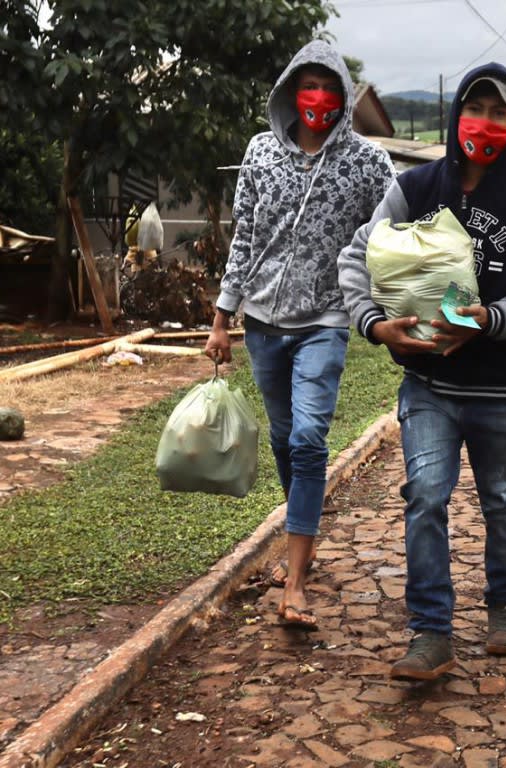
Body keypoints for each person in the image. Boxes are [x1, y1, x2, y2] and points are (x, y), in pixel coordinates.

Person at [338, 63, 506, 681]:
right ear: (456, 116)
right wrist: (372, 323)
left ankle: (504, 609)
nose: (487, 124)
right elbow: (355, 257)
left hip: (504, 388)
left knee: (500, 498)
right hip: (429, 388)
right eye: (477, 109)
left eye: (501, 114)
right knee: (424, 497)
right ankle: (431, 633)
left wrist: (492, 320)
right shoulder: (415, 187)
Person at [204, 40, 395, 630]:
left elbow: (397, 221)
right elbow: (245, 238)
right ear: (289, 92)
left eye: (328, 87)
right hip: (263, 323)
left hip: (326, 320)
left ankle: (295, 583)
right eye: (307, 86)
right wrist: (222, 317)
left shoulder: (365, 162)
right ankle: (301, 543)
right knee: (287, 443)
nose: (318, 99)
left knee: (310, 440)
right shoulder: (261, 152)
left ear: (342, 95)